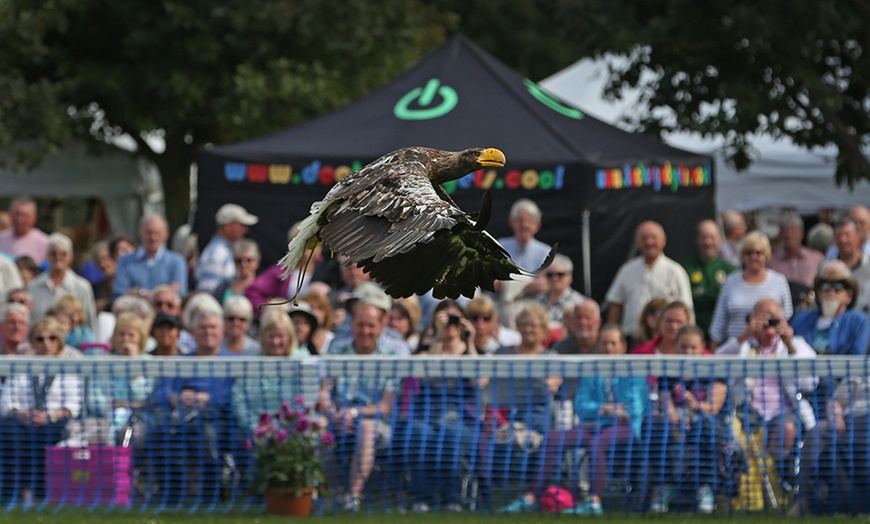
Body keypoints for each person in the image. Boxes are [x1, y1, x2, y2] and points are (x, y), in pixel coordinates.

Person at [498, 324, 647, 515]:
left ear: (623, 346)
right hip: (595, 424)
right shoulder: (592, 370)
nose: (608, 348)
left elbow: (633, 410)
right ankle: (531, 497)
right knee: (552, 439)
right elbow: (581, 406)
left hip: (626, 429)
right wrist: (604, 408)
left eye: (613, 343)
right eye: (604, 344)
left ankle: (593, 502)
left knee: (596, 444)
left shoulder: (634, 372)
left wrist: (604, 411)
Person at [144, 310, 237, 503]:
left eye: (212, 327)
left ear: (222, 332)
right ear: (193, 332)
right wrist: (175, 398)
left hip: (217, 419)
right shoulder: (180, 362)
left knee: (208, 433)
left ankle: (212, 496)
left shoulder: (233, 362)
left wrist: (208, 398)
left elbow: (233, 395)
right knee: (159, 431)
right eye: (202, 327)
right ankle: (171, 495)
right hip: (178, 417)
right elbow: (161, 391)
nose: (207, 332)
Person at [318, 296, 400, 511]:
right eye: (361, 325)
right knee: (319, 428)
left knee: (366, 427)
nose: (365, 331)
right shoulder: (336, 353)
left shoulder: (390, 358)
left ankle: (352, 497)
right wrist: (333, 413)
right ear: (352, 324)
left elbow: (386, 406)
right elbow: (324, 392)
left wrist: (353, 413)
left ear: (381, 327)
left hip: (374, 422)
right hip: (339, 417)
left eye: (371, 326)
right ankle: (334, 492)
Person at [479, 304, 565, 507]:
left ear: (544, 330)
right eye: (524, 325)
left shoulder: (551, 357)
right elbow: (485, 382)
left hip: (538, 416)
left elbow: (554, 383)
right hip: (505, 415)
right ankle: (490, 499)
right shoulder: (503, 353)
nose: (529, 329)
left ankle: (531, 496)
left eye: (534, 326)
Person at [715, 298, 817, 466]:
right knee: (732, 432)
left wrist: (790, 345)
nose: (769, 323)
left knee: (787, 430)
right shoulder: (744, 345)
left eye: (774, 318)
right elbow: (716, 363)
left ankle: (776, 479)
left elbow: (810, 382)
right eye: (763, 317)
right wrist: (746, 334)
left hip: (784, 412)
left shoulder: (797, 344)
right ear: (750, 319)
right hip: (747, 410)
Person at [400, 306, 482, 512]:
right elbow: (428, 374)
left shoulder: (471, 353)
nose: (450, 325)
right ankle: (423, 499)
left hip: (460, 418)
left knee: (451, 431)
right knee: (419, 432)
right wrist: (437, 337)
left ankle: (452, 499)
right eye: (445, 320)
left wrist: (470, 341)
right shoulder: (424, 352)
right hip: (426, 415)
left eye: (455, 320)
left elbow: (479, 380)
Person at [1, 316, 83, 503]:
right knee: (9, 431)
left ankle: (41, 493)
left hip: (54, 422)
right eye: (40, 338)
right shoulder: (21, 366)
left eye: (52, 338)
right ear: (32, 342)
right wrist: (22, 415)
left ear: (59, 340)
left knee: (46, 434)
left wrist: (50, 416)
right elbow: (6, 402)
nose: (46, 343)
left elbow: (74, 405)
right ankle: (15, 492)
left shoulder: (69, 368)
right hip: (22, 421)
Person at [605, 221, 694, 336]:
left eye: (653, 237)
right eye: (644, 238)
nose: (649, 242)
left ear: (663, 240)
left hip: (664, 340)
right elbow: (616, 304)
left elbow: (686, 309)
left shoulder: (676, 272)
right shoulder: (627, 270)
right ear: (637, 242)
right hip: (632, 338)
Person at [709, 231, 793, 349]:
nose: (754, 257)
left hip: (770, 349)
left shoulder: (779, 281)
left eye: (759, 253)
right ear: (742, 255)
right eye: (749, 253)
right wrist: (714, 353)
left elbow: (786, 318)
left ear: (767, 255)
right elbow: (719, 322)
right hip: (735, 349)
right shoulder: (730, 281)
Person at [232, 308, 310, 432]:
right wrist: (256, 427)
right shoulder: (251, 360)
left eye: (280, 336)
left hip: (293, 433)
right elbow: (238, 399)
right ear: (263, 337)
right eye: (271, 336)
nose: (275, 341)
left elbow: (308, 401)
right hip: (256, 433)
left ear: (289, 337)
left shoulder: (302, 359)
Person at [85, 312, 154, 444]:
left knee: (134, 434)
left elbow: (146, 397)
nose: (125, 339)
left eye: (131, 335)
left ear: (140, 338)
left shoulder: (149, 363)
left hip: (139, 418)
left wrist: (134, 366)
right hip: (105, 417)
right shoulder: (102, 363)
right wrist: (111, 406)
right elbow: (93, 399)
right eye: (121, 334)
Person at [790, 260, 869, 356]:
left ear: (849, 296)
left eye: (838, 287)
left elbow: (856, 360)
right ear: (818, 294)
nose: (831, 291)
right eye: (825, 286)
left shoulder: (858, 321)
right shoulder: (800, 320)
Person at [28, 233, 97, 331]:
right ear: (47, 257)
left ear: (70, 257)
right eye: (53, 253)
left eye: (63, 254)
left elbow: (89, 322)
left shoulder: (82, 287)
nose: (58, 257)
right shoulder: (33, 286)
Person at [680, 220, 737, 334]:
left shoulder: (731, 270)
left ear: (720, 240)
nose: (708, 242)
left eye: (712, 237)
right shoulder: (684, 268)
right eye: (703, 237)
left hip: (724, 333)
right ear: (696, 240)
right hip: (694, 332)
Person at [113, 214, 188, 300]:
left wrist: (137, 292)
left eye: (157, 233)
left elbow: (180, 292)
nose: (153, 237)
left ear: (166, 235)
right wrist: (166, 290)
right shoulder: (125, 261)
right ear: (140, 232)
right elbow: (120, 292)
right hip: (133, 310)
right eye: (149, 233)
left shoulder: (177, 261)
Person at [196, 203, 258, 294]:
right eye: (242, 225)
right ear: (228, 227)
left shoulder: (225, 250)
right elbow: (207, 293)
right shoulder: (217, 254)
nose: (245, 230)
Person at [768, 212, 824, 289]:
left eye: (793, 230)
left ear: (802, 232)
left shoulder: (816, 259)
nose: (789, 235)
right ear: (780, 234)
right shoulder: (772, 262)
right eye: (786, 231)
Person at [497, 198, 552, 271]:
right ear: (511, 223)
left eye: (530, 221)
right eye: (520, 220)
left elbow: (546, 280)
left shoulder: (546, 253)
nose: (525, 225)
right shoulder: (499, 247)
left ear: (537, 225)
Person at [534, 254, 585, 328]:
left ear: (570, 278)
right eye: (550, 275)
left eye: (560, 274)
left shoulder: (578, 302)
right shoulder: (538, 299)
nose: (555, 278)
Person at [0, 198, 50, 265]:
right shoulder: (2, 239)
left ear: (34, 217)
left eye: (24, 215)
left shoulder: (44, 242)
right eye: (16, 214)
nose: (19, 219)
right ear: (10, 215)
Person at [212, 239, 260, 304]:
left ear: (257, 263)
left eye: (249, 260)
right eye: (239, 261)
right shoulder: (223, 287)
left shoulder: (263, 287)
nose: (243, 264)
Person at [301, 290, 336, 355]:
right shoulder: (299, 341)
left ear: (326, 313)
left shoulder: (333, 339)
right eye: (311, 308)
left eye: (319, 309)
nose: (315, 313)